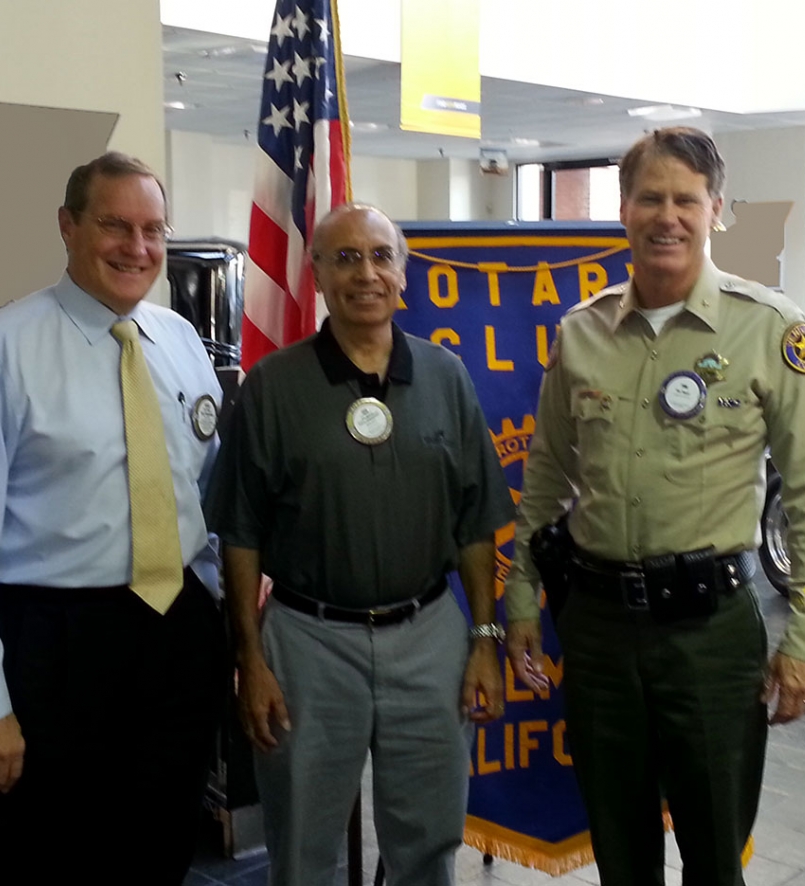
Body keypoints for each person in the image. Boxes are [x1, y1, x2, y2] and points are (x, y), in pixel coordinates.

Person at [505, 127, 805, 886]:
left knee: (714, 850)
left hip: (711, 634)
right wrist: (522, 597)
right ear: (623, 209)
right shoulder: (582, 331)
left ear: (715, 210)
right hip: (597, 631)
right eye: (650, 198)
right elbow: (546, 479)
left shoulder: (768, 329)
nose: (668, 217)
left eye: (686, 200)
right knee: (620, 851)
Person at [0, 152, 225, 886]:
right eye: (115, 225)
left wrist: (208, 621)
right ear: (68, 226)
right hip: (47, 646)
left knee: (155, 849)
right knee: (31, 859)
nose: (138, 247)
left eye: (153, 229)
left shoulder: (180, 343)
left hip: (171, 635)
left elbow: (196, 497)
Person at [204, 203, 514, 886]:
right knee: (303, 849)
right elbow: (241, 532)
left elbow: (474, 524)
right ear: (315, 272)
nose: (365, 273)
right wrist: (249, 659)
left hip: (429, 635)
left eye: (380, 256)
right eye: (344, 258)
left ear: (404, 273)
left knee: (428, 844)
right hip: (307, 642)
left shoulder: (446, 377)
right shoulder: (272, 386)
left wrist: (485, 640)